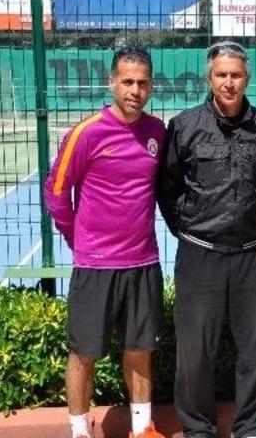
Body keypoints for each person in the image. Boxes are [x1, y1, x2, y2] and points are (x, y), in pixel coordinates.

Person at [156, 40, 256, 438]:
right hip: (200, 255)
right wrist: (189, 229)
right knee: (195, 350)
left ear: (247, 78)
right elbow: (168, 187)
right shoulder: (184, 125)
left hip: (252, 254)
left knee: (255, 348)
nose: (229, 82)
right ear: (209, 78)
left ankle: (251, 426)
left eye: (236, 75)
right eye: (221, 75)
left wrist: (249, 219)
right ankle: (197, 428)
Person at [43, 46, 166, 438]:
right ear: (112, 82)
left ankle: (142, 429)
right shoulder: (86, 133)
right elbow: (56, 193)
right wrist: (78, 240)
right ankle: (79, 430)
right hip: (95, 266)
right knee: (83, 353)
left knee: (140, 350)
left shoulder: (157, 132)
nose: (135, 90)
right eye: (127, 81)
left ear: (151, 86)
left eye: (142, 83)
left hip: (143, 262)